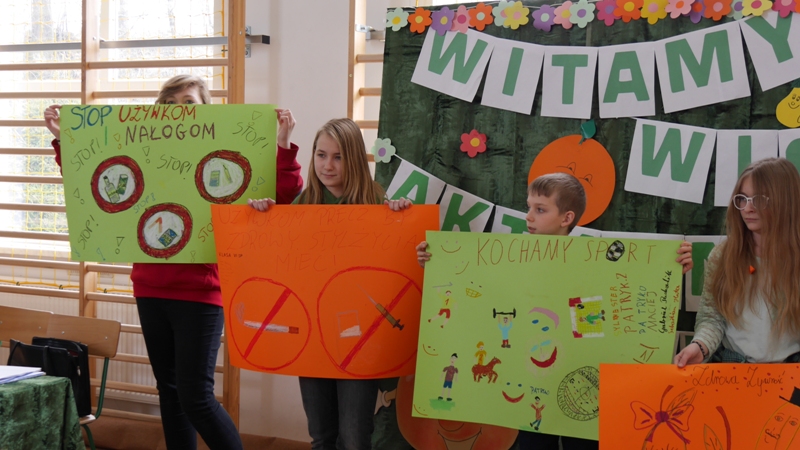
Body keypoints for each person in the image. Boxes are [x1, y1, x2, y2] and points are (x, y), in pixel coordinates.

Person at [44, 74, 304, 450]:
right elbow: (92, 178)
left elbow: (284, 193)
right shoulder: (149, 151)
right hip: (150, 289)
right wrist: (61, 138)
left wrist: (283, 145)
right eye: (170, 103)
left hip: (200, 292)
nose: (179, 110)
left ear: (205, 110)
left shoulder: (224, 154)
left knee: (196, 397)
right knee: (169, 392)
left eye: (189, 102)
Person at [416, 172, 694, 450]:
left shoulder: (592, 262)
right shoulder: (511, 258)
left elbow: (611, 304)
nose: (528, 216)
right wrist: (436, 260)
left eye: (540, 209)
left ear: (566, 218)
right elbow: (475, 288)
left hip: (579, 385)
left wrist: (670, 265)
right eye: (528, 207)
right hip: (531, 384)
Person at [249, 117, 411, 450]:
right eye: (321, 155)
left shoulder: (375, 202)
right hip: (314, 336)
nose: (328, 165)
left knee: (354, 437)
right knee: (321, 435)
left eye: (338, 157)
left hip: (360, 341)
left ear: (354, 159)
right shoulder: (304, 204)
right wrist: (265, 219)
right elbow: (278, 261)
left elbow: (398, 264)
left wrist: (401, 218)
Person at [675, 157, 800, 368]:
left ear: (785, 201)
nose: (747, 208)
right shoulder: (723, 256)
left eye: (759, 199)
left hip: (791, 372)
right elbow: (712, 318)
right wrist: (700, 347)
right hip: (733, 369)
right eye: (742, 198)